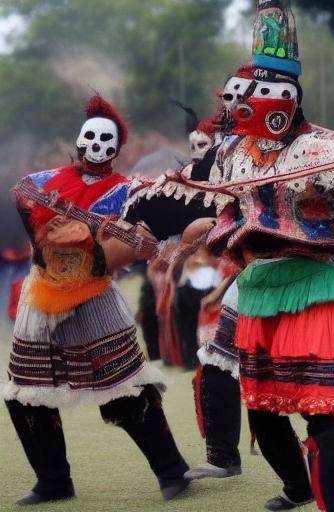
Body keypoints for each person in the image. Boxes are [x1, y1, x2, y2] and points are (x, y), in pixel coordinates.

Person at [124, 2, 334, 509]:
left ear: (297, 98)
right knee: (261, 406)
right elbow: (191, 195)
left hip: (315, 283)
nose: (273, 101)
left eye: (285, 92)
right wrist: (152, 231)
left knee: (323, 409)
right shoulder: (230, 153)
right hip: (257, 286)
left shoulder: (324, 146)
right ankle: (296, 487)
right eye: (264, 92)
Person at [2, 96, 190, 505]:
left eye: (107, 140)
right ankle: (52, 481)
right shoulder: (46, 179)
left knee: (125, 389)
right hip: (42, 291)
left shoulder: (127, 192)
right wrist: (37, 242)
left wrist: (110, 249)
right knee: (25, 392)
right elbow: (20, 193)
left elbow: (145, 238)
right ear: (80, 138)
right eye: (91, 136)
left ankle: (172, 470)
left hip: (94, 295)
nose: (97, 145)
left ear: (117, 148)